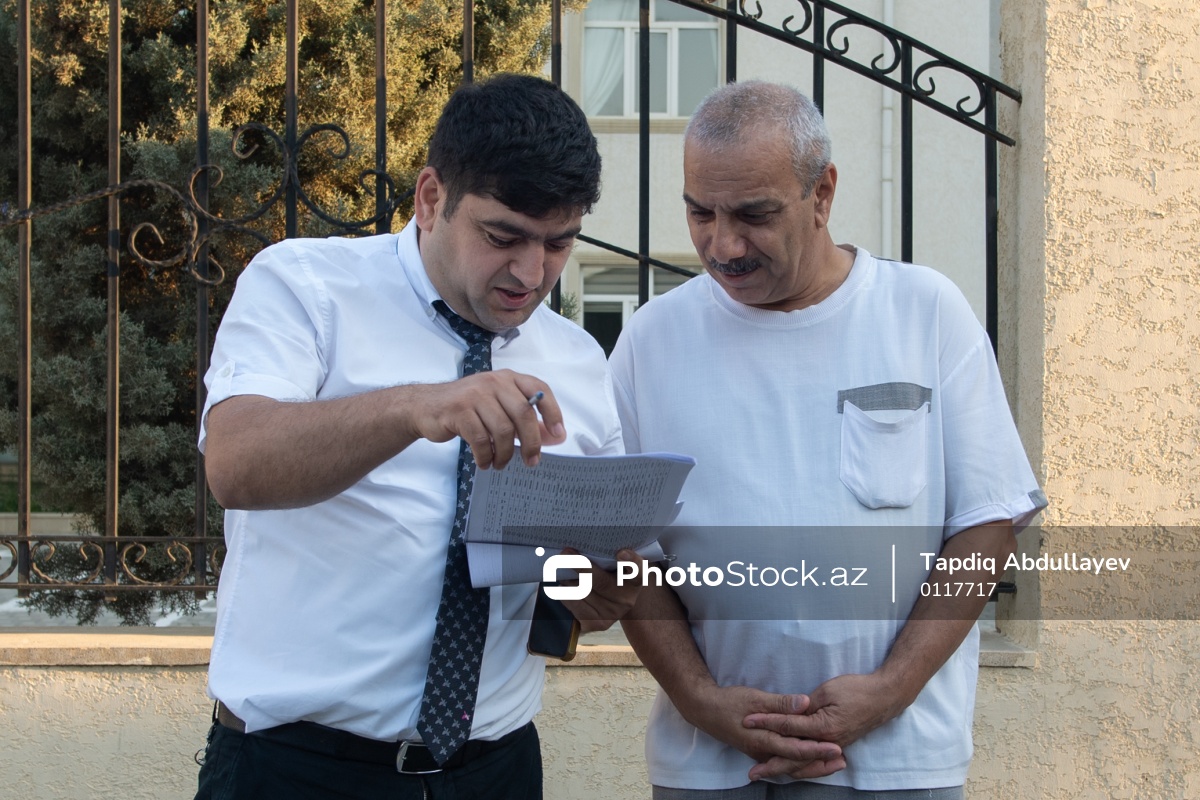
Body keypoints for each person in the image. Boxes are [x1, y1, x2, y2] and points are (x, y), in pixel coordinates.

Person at [195, 73, 639, 800]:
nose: (531, 273)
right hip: (298, 768)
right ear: (431, 198)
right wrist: (416, 408)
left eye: (559, 243)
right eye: (503, 237)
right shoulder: (307, 287)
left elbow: (575, 587)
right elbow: (236, 463)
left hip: (494, 769)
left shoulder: (578, 360)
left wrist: (595, 589)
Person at [611, 80, 1047, 799]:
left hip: (897, 761)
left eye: (754, 215)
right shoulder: (651, 339)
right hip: (710, 764)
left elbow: (986, 524)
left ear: (822, 193)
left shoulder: (925, 313)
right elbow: (629, 553)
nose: (722, 244)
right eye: (700, 212)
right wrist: (697, 699)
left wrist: (892, 689)